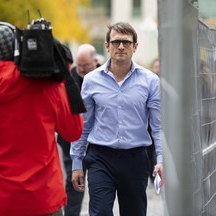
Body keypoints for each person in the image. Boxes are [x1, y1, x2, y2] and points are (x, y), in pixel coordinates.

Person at [0, 22, 83, 216]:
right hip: (44, 196)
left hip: (0, 199)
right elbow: (73, 132)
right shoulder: (47, 88)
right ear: (19, 48)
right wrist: (64, 78)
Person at [70, 22, 163, 216]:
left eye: (126, 42)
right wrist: (77, 163)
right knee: (100, 212)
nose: (121, 46)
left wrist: (160, 159)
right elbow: (83, 125)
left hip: (135, 158)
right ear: (107, 45)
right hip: (100, 158)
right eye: (116, 42)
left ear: (135, 47)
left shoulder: (150, 80)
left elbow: (157, 126)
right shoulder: (91, 80)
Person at [57, 44, 99, 216]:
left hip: (97, 140)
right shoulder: (68, 78)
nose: (81, 69)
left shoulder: (104, 76)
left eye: (86, 65)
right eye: (79, 65)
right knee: (74, 182)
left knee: (99, 184)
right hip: (71, 139)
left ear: (95, 61)